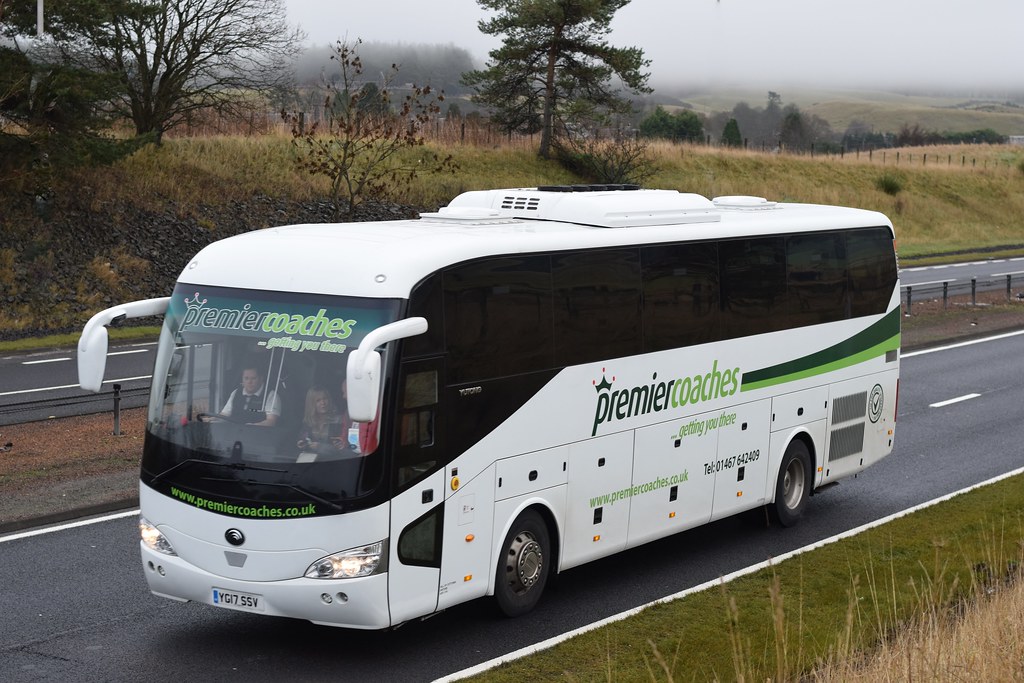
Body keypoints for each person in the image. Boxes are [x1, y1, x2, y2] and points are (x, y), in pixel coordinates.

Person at [217, 365, 281, 426]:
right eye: (246, 378)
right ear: (242, 379)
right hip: (235, 434)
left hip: (260, 435)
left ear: (261, 379)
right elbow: (224, 415)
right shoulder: (236, 393)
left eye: (253, 378)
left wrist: (253, 426)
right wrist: (213, 419)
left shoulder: (271, 395)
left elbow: (271, 421)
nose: (249, 382)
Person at [296, 387, 348, 455]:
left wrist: (321, 447)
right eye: (318, 400)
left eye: (325, 399)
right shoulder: (308, 421)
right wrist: (301, 443)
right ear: (311, 404)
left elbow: (341, 448)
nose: (323, 403)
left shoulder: (338, 420)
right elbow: (302, 438)